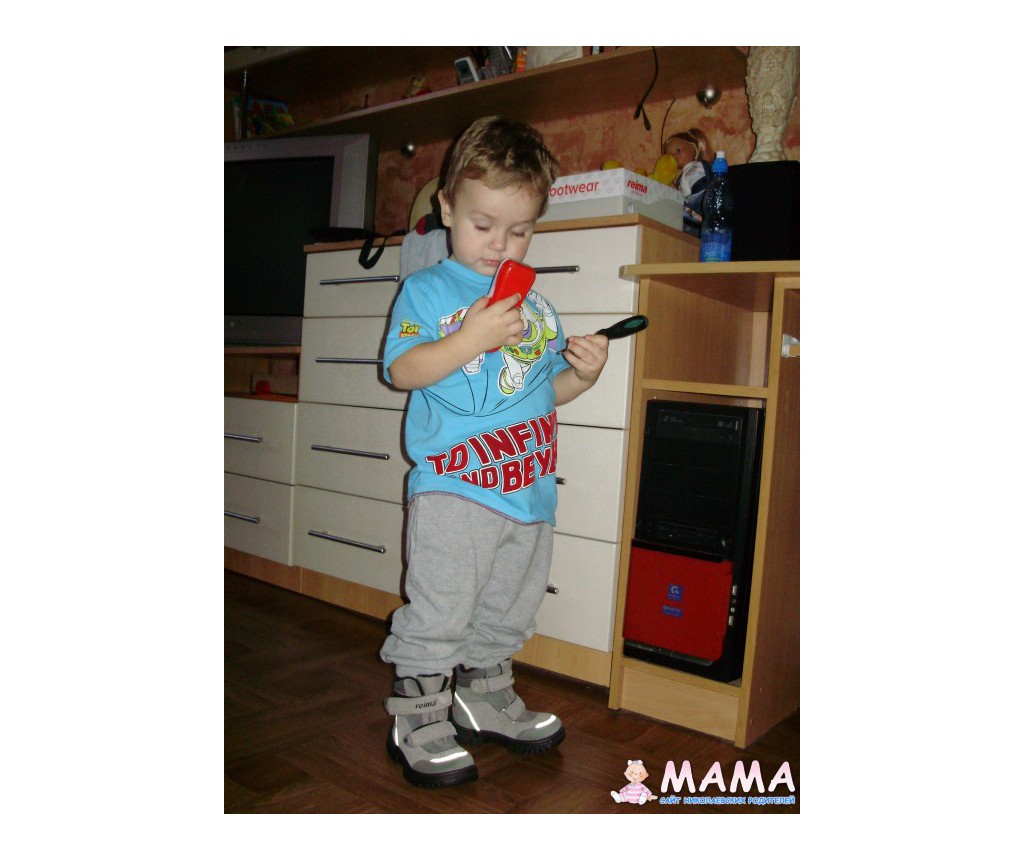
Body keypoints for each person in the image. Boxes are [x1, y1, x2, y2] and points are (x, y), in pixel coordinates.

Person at [379, 116, 610, 788]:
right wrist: (469, 339)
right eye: (483, 225)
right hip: (455, 489)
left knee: (509, 605)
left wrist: (584, 377)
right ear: (448, 208)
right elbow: (402, 369)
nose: (500, 244)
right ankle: (418, 716)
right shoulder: (428, 291)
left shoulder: (534, 305)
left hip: (527, 492)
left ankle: (481, 696)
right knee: (442, 607)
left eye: (520, 230)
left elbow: (542, 391)